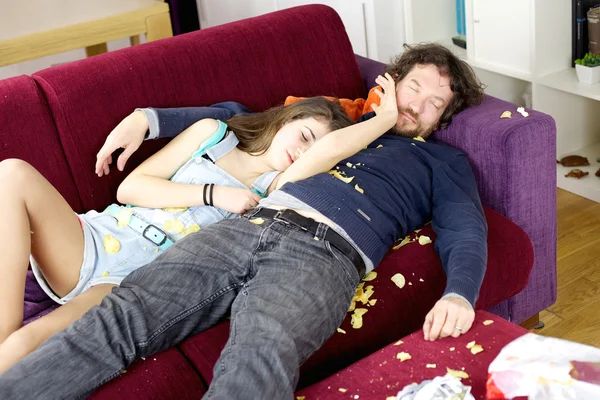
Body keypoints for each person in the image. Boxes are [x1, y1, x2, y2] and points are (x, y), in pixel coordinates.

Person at [0, 43, 487, 400]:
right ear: (391, 82)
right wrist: (150, 119)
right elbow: (247, 121)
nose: (416, 105)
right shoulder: (342, 118)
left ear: (439, 121)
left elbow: (466, 226)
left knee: (262, 349)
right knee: (121, 318)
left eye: (434, 105)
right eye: (414, 87)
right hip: (242, 227)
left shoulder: (441, 165)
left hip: (327, 251)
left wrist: (460, 291)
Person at [0, 97, 356, 374]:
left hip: (135, 284)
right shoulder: (213, 134)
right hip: (97, 241)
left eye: (315, 152)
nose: (302, 151)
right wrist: (213, 194)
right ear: (286, 119)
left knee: (28, 344)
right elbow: (130, 188)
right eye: (305, 136)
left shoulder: (278, 191)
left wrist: (386, 119)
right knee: (12, 173)